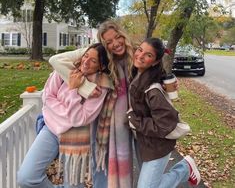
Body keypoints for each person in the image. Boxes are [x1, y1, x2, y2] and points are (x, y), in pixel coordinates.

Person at [49, 20, 134, 188]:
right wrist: (85, 87)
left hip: (129, 120)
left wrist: (170, 81)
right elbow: (56, 60)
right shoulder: (94, 53)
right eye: (109, 42)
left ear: (123, 35)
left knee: (127, 158)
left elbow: (153, 69)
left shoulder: (133, 55)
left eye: (117, 37)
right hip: (101, 117)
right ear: (103, 44)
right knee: (100, 160)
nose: (115, 44)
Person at [17, 43, 114, 188]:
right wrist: (67, 114)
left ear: (101, 67)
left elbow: (81, 118)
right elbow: (48, 98)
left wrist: (74, 90)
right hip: (51, 130)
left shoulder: (100, 86)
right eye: (85, 56)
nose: (86, 62)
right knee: (26, 177)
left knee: (72, 185)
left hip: (76, 137)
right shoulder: (65, 70)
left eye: (93, 61)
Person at [126, 37, 201, 188]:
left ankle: (184, 168)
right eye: (140, 50)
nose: (140, 56)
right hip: (144, 143)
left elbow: (164, 124)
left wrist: (133, 119)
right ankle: (185, 167)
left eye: (148, 55)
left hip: (158, 145)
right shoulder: (136, 74)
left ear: (154, 62)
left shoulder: (152, 89)